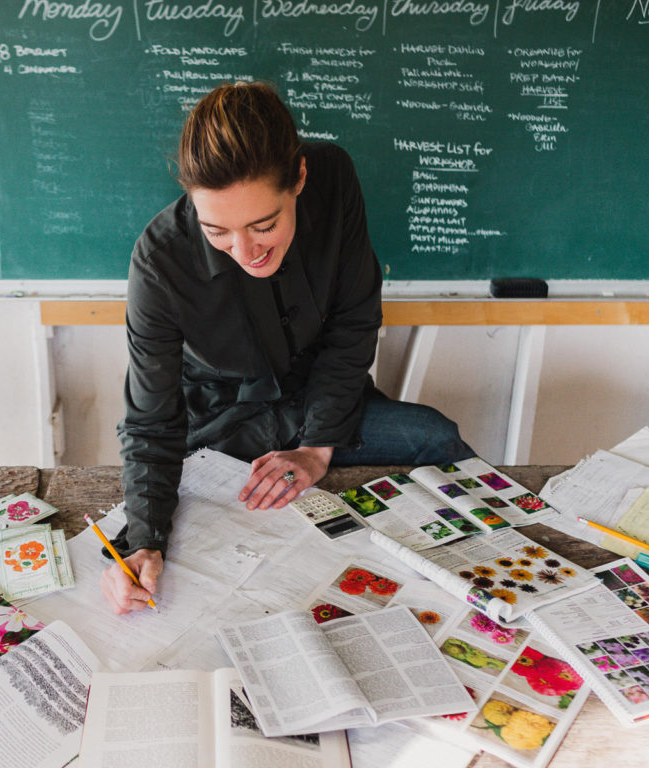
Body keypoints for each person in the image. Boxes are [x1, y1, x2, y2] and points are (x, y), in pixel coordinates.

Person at [100, 81, 473, 614]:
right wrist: (141, 545)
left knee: (436, 436)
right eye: (217, 231)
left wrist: (318, 445)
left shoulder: (333, 177)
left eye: (263, 225)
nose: (245, 251)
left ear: (298, 178)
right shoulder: (159, 261)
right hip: (222, 425)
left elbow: (353, 321)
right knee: (151, 536)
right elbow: (151, 421)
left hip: (321, 399)